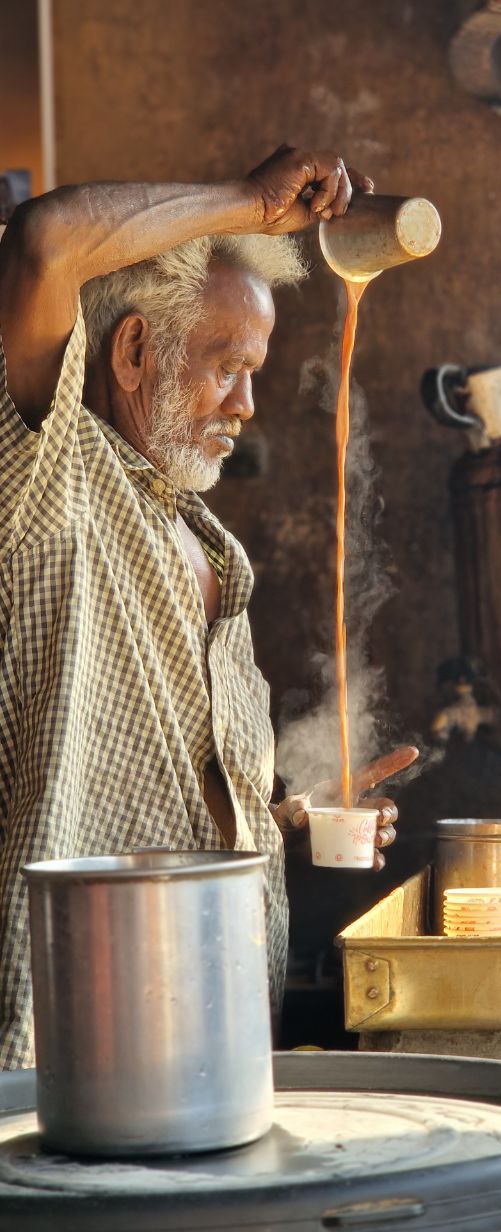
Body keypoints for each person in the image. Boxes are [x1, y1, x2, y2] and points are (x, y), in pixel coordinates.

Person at [0, 145, 414, 1070]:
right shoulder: (51, 472)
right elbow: (42, 241)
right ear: (133, 353)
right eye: (228, 366)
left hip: (207, 1044)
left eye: (256, 372)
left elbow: (176, 805)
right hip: (61, 1051)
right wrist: (248, 205)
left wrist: (280, 822)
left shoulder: (206, 543)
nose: (247, 404)